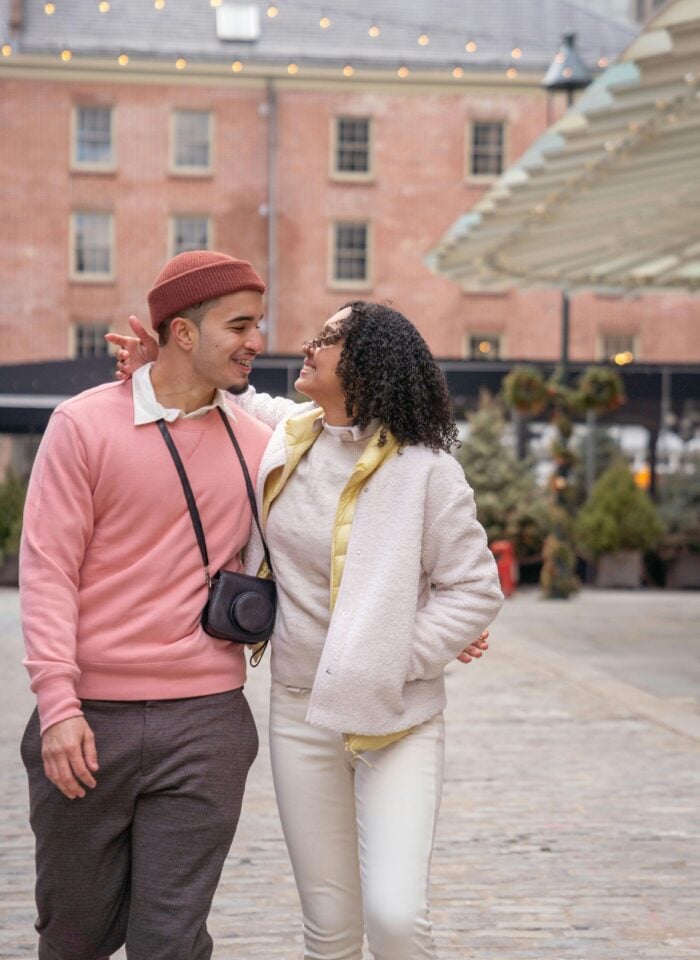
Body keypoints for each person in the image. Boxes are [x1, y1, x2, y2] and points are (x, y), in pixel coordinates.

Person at [112, 297, 503, 959]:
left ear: (368, 364)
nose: (308, 345)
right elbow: (218, 397)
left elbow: (474, 589)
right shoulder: (286, 434)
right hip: (299, 714)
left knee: (397, 916)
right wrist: (160, 364)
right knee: (328, 928)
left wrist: (392, 655)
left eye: (329, 338)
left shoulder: (428, 471)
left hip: (397, 721)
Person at [19, 250, 274, 960]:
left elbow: (359, 474)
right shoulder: (81, 426)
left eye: (260, 322)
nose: (258, 340)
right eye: (241, 324)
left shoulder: (261, 445)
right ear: (183, 334)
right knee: (74, 936)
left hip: (208, 725)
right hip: (87, 725)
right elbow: (47, 571)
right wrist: (59, 706)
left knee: (170, 941)